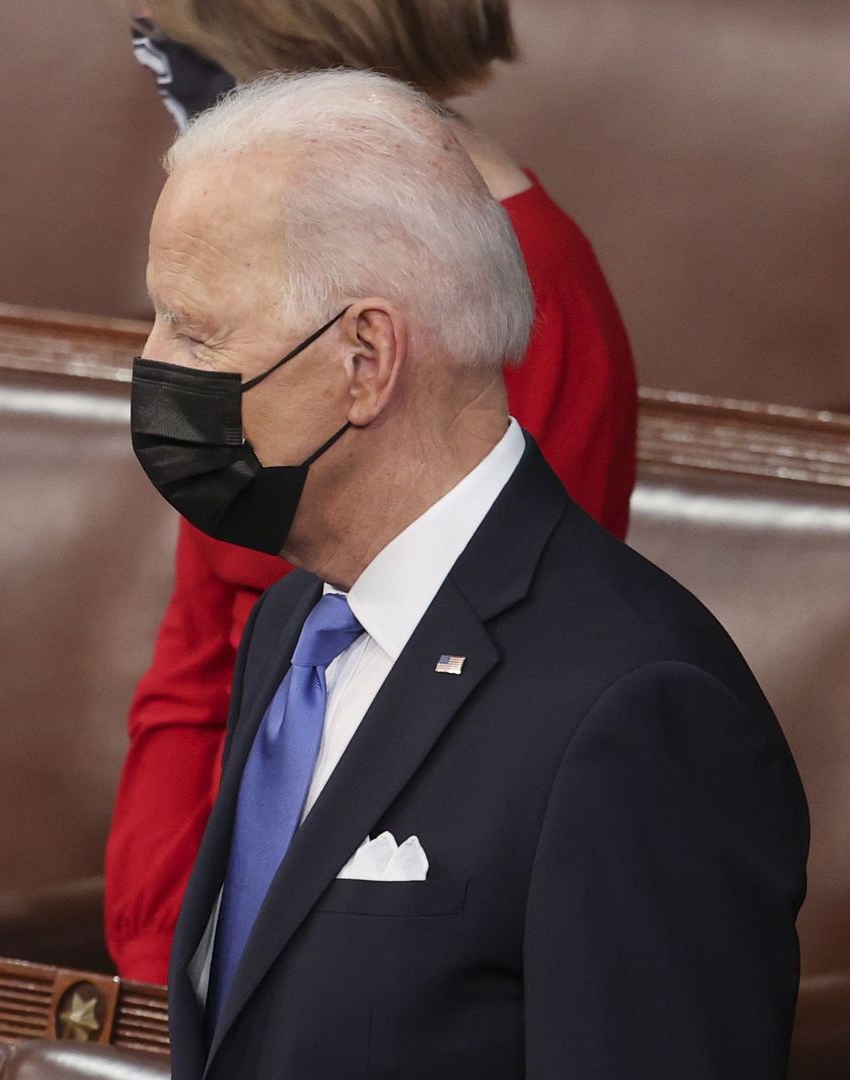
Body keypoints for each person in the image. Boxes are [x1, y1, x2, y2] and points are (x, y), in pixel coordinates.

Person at [132, 69, 806, 1078]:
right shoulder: (293, 627)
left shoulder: (637, 710)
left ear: (365, 359)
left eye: (194, 329)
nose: (152, 364)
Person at [107, 0, 640, 983]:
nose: (150, 52)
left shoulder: (522, 293)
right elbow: (203, 645)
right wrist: (160, 948)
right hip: (215, 928)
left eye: (173, 29)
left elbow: (488, 702)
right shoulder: (261, 254)